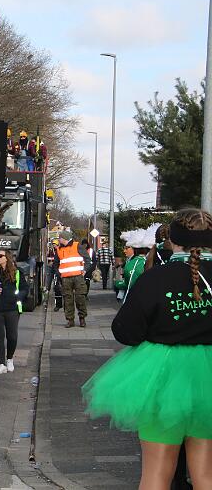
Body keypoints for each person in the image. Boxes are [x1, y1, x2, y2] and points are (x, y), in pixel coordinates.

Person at [82, 208, 212, 489]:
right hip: (208, 378)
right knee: (206, 475)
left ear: (172, 240)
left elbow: (126, 331)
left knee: (156, 473)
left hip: (162, 376)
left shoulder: (155, 278)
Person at [52, 230, 91, 327]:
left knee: (80, 297)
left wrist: (85, 270)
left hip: (78, 276)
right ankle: (70, 320)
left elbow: (87, 259)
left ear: (64, 238)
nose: (59, 240)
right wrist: (58, 273)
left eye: (60, 238)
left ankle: (82, 318)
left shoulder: (77, 246)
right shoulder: (59, 249)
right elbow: (55, 263)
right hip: (65, 278)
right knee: (67, 299)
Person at [114, 225, 158, 303]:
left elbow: (130, 284)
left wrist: (117, 283)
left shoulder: (135, 263)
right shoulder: (155, 261)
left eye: (127, 248)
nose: (124, 251)